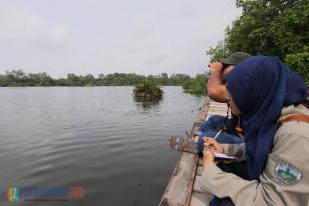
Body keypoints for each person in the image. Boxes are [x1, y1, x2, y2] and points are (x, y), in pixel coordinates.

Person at [195, 55, 309, 205]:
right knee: (223, 165)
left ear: (253, 91)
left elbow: (272, 202)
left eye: (232, 88)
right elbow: (264, 145)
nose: (227, 95)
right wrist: (225, 149)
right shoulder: (274, 115)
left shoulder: (295, 135)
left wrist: (211, 174)